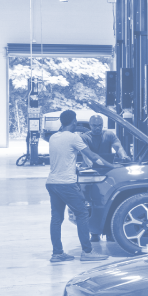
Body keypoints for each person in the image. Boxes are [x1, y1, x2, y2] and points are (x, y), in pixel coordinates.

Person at [45, 111, 105, 264]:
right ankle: (87, 251)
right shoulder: (73, 137)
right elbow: (92, 156)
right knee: (82, 213)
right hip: (66, 183)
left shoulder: (53, 137)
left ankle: (57, 253)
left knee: (57, 218)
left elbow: (64, 157)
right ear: (73, 122)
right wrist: (111, 166)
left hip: (52, 182)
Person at [79, 114, 124, 244]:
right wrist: (89, 164)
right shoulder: (84, 137)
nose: (97, 128)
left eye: (99, 125)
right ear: (90, 125)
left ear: (102, 125)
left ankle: (109, 232)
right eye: (94, 125)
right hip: (90, 174)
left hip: (107, 172)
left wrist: (123, 155)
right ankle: (94, 232)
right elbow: (86, 154)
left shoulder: (109, 135)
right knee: (91, 204)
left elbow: (118, 146)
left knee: (109, 201)